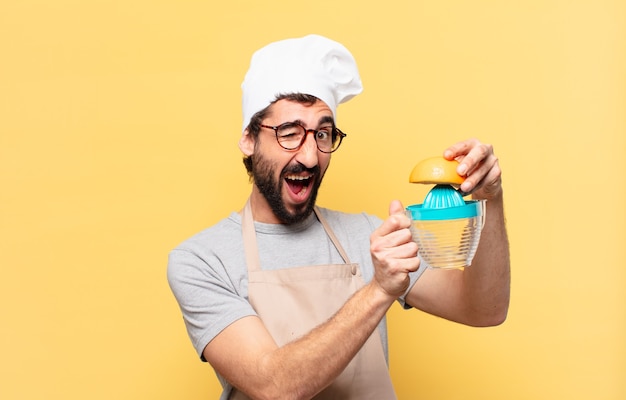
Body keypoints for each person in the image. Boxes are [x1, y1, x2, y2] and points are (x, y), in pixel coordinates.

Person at [167, 34, 510, 400]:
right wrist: (378, 290)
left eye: (324, 134)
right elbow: (274, 386)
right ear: (249, 139)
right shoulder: (202, 260)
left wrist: (490, 198)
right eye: (290, 133)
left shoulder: (367, 235)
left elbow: (484, 309)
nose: (311, 157)